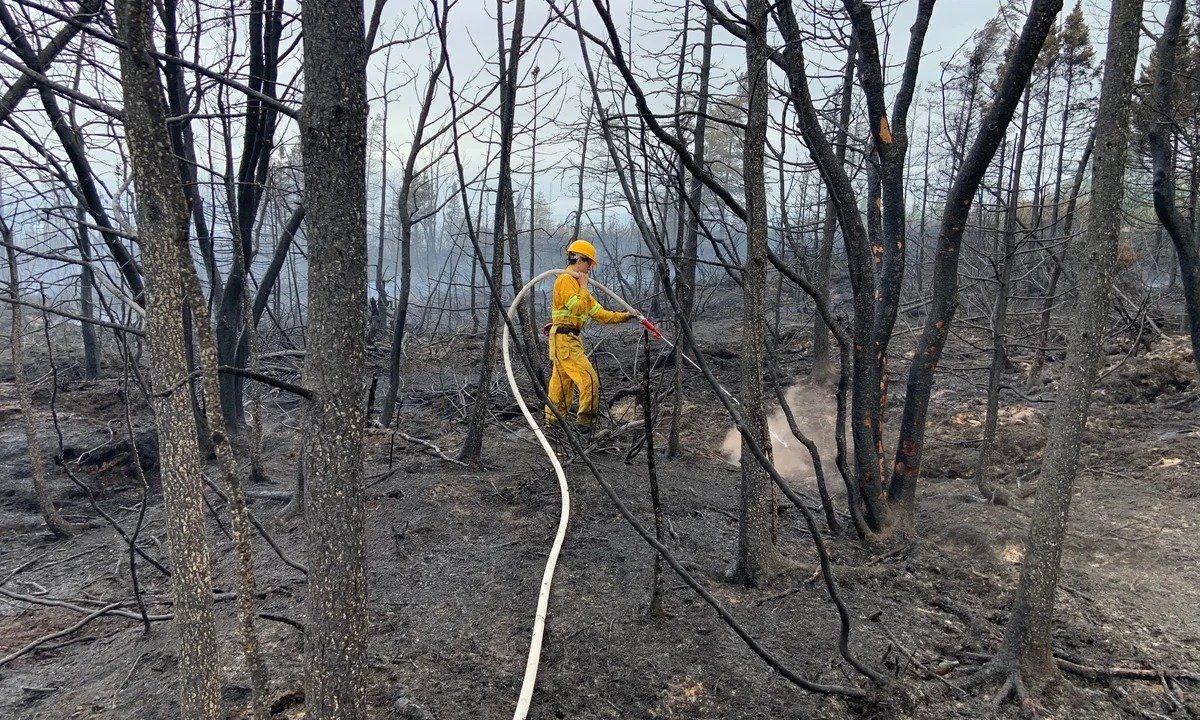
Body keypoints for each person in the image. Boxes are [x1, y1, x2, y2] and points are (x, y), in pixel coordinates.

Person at [544, 239, 635, 438]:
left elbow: (599, 313)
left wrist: (625, 316)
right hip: (565, 340)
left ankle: (553, 424)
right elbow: (576, 306)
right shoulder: (566, 280)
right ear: (579, 259)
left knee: (562, 383)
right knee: (589, 380)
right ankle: (585, 425)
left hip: (566, 340)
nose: (589, 270)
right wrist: (583, 287)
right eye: (589, 264)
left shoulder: (578, 284)